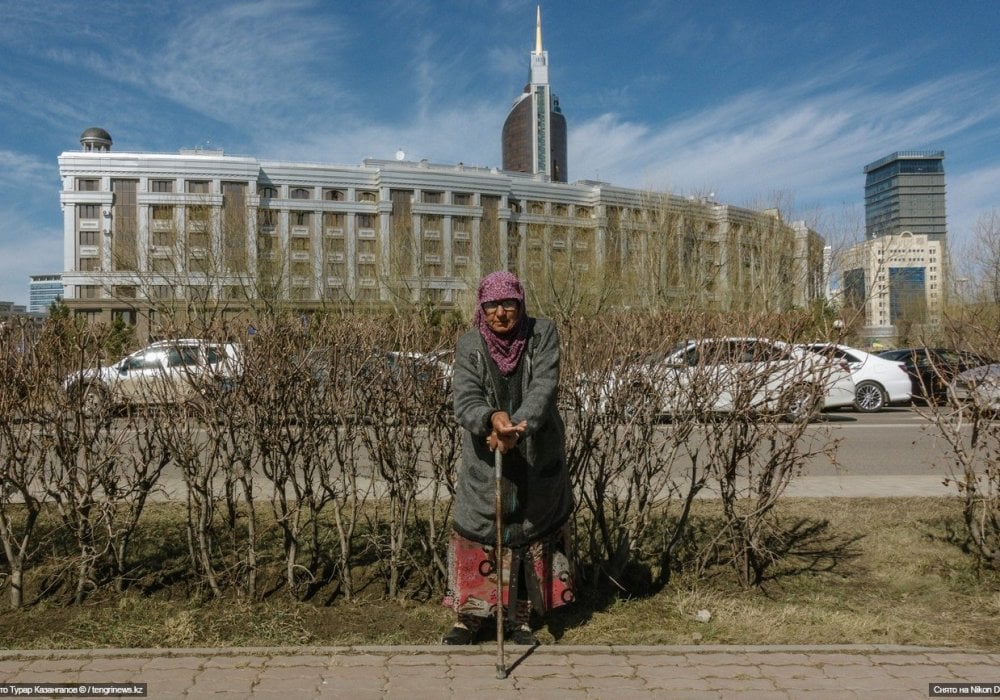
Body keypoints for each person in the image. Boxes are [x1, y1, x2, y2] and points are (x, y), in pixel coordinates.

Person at [442, 270, 575, 645]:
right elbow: (465, 397)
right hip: (487, 456)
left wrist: (517, 426)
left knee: (528, 533)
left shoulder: (542, 333)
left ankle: (521, 615)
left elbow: (544, 386)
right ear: (481, 309)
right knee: (478, 528)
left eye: (508, 304)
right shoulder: (469, 344)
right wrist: (491, 419)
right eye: (491, 305)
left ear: (520, 303)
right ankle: (471, 616)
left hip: (535, 451)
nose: (500, 313)